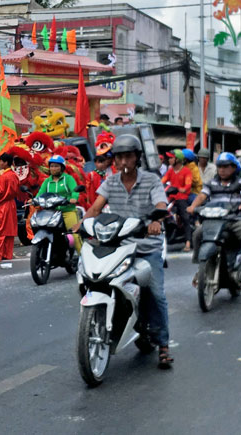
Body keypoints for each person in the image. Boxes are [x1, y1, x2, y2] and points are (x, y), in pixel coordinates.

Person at [82, 134, 173, 369]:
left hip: (146, 247)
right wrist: (79, 225)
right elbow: (96, 207)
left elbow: (160, 204)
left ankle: (163, 345)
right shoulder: (110, 182)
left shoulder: (151, 180)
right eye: (119, 157)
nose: (123, 161)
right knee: (97, 278)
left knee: (156, 293)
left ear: (137, 158)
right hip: (119, 246)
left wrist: (156, 220)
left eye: (128, 156)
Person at [187, 152, 241, 285]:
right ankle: (201, 267)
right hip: (214, 220)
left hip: (235, 219)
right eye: (220, 166)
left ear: (234, 168)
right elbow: (202, 196)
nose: (222, 169)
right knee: (197, 234)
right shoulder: (211, 183)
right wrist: (193, 206)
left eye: (226, 166)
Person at [37, 154, 82, 252]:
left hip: (68, 211)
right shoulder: (47, 181)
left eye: (56, 166)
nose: (53, 168)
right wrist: (34, 200)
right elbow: (40, 193)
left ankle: (82, 260)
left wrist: (73, 198)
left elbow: (75, 190)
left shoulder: (68, 179)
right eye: (52, 166)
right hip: (52, 213)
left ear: (62, 167)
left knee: (74, 236)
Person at [162, 150, 192, 250]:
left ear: (177, 159)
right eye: (169, 158)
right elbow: (162, 181)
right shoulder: (170, 171)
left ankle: (188, 242)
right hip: (170, 198)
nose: (169, 160)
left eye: (171, 158)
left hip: (181, 198)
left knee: (185, 217)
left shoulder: (186, 171)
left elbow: (187, 186)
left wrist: (180, 189)